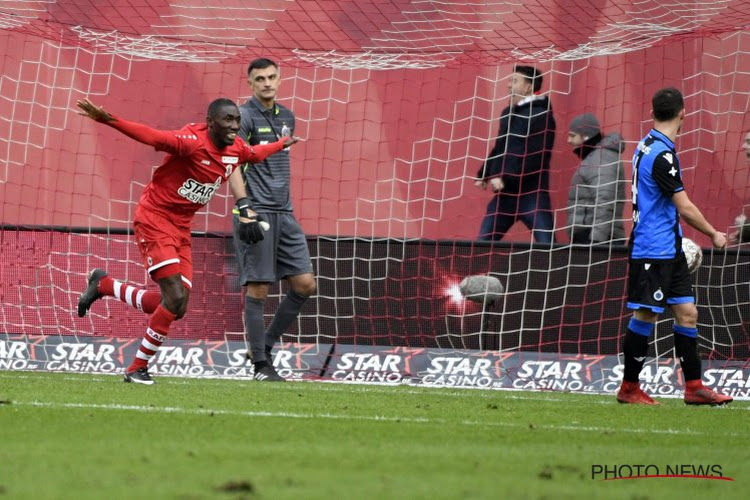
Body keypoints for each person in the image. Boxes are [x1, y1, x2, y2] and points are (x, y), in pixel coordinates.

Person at [75, 97, 298, 385]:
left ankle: (104, 284)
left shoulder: (235, 149)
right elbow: (152, 136)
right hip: (155, 219)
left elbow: (254, 154)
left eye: (236, 120)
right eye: (227, 120)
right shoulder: (191, 141)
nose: (234, 125)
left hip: (181, 227)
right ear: (210, 121)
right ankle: (136, 368)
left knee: (175, 307)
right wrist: (109, 120)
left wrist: (281, 144)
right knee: (175, 298)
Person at [616, 87, 732, 406]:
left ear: (653, 112)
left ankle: (694, 387)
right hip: (653, 248)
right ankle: (628, 387)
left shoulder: (648, 144)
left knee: (687, 313)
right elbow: (685, 208)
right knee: (646, 315)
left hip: (671, 246)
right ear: (683, 113)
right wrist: (714, 234)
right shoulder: (661, 155)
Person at [228, 58, 316, 382]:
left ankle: (262, 344)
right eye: (259, 79)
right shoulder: (244, 117)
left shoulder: (288, 116)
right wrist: (245, 206)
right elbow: (233, 164)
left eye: (271, 77)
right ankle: (261, 367)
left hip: (285, 213)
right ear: (250, 84)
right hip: (257, 213)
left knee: (305, 284)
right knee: (259, 289)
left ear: (279, 80)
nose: (266, 83)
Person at [475, 65, 556, 244]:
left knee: (548, 246)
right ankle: (473, 273)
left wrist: (505, 178)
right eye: (509, 81)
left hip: (532, 195)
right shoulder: (507, 113)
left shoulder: (542, 115)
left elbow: (536, 156)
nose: (509, 85)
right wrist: (484, 174)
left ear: (529, 87)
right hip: (505, 197)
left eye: (514, 81)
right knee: (482, 243)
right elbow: (500, 148)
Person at [565, 113, 626, 245]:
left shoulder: (601, 158)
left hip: (595, 239)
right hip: (593, 236)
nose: (568, 141)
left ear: (585, 136)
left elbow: (605, 200)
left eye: (572, 136)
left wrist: (596, 241)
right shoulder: (596, 156)